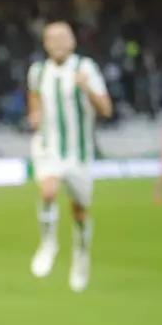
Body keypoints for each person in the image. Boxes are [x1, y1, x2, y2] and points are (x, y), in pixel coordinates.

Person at [26, 20, 113, 292]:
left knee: (79, 211)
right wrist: (35, 114)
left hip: (79, 153)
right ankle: (49, 243)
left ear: (73, 41)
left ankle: (81, 254)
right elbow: (34, 98)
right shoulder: (38, 71)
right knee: (48, 191)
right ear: (45, 44)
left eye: (63, 38)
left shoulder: (85, 68)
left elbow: (106, 109)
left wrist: (86, 88)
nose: (58, 43)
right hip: (48, 148)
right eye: (52, 39)